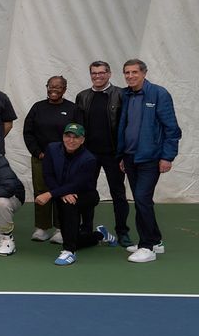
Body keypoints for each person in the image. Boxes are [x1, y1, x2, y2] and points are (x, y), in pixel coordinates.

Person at [117, 59, 181, 263]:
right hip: (130, 157)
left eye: (134, 72)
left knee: (143, 199)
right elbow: (124, 126)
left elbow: (172, 129)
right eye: (126, 72)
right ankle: (156, 240)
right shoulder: (126, 95)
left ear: (144, 73)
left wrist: (167, 156)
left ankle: (147, 247)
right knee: (141, 200)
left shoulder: (159, 93)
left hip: (150, 158)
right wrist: (122, 155)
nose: (130, 76)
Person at [37, 123, 117, 266]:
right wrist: (61, 193)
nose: (71, 141)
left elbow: (77, 184)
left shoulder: (89, 159)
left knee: (69, 204)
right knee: (74, 237)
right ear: (63, 137)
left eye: (76, 137)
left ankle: (69, 252)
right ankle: (100, 235)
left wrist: (50, 194)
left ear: (82, 140)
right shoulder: (52, 149)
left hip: (87, 195)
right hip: (63, 193)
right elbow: (48, 175)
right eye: (68, 136)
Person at [74, 60, 130, 247]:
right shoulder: (82, 96)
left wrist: (123, 152)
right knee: (87, 192)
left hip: (113, 154)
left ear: (109, 74)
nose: (97, 76)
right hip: (89, 154)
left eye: (101, 73)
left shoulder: (121, 94)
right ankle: (86, 228)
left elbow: (126, 125)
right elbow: (79, 127)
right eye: (94, 73)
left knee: (118, 193)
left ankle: (122, 231)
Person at [23, 76, 76, 243]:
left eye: (58, 87)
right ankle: (42, 228)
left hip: (65, 159)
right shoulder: (38, 108)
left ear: (65, 89)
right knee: (41, 191)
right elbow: (28, 132)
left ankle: (61, 228)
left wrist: (68, 152)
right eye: (51, 86)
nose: (54, 89)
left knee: (62, 191)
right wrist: (38, 152)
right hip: (41, 158)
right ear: (47, 87)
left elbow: (78, 134)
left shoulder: (72, 109)